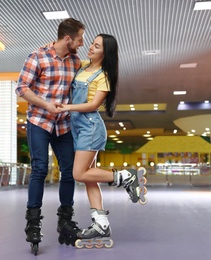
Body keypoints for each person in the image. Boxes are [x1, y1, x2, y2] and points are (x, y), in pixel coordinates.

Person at [56, 34, 147, 248]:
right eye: (92, 44)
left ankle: (125, 176)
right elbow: (64, 52)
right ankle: (101, 224)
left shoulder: (103, 76)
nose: (91, 48)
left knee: (78, 173)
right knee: (89, 178)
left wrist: (68, 107)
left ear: (105, 53)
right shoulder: (83, 65)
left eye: (96, 46)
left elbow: (92, 105)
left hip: (90, 128)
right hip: (77, 128)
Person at [15, 18, 85, 255]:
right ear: (67, 39)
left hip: (63, 124)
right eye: (79, 39)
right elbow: (22, 88)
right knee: (40, 169)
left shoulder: (76, 61)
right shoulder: (37, 56)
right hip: (39, 122)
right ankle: (33, 222)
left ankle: (65, 220)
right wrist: (46, 105)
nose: (81, 43)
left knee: (70, 171)